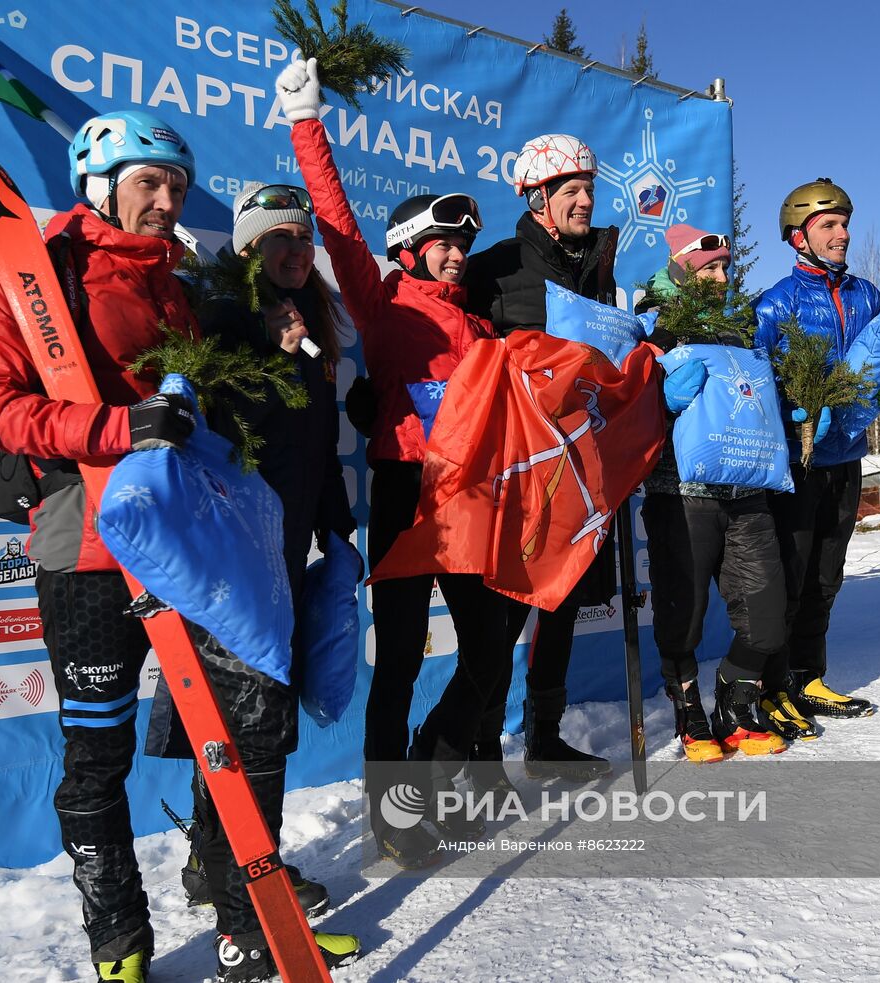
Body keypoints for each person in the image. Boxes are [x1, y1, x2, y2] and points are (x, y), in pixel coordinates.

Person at [0, 110, 358, 983]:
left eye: (175, 184)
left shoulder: (178, 283)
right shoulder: (43, 271)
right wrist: (114, 425)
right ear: (101, 185)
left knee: (247, 733)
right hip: (86, 544)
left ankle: (250, 922)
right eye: (148, 183)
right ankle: (121, 948)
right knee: (98, 755)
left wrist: (266, 341)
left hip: (189, 548)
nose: (167, 200)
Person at [275, 57, 510, 870]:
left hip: (473, 499)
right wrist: (308, 121)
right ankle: (393, 814)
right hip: (407, 493)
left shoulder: (480, 329)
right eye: (445, 244)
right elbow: (337, 224)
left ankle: (427, 765)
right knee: (402, 660)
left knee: (488, 653)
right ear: (410, 250)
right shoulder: (382, 303)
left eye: (463, 246)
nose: (458, 256)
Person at [177, 180, 355, 920]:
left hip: (286, 546)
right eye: (279, 237)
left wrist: (336, 526)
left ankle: (214, 861)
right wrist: (271, 348)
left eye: (303, 237)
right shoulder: (226, 315)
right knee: (247, 719)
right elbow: (219, 415)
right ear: (249, 246)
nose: (295, 248)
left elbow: (316, 437)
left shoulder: (313, 321)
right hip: (234, 553)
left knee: (252, 716)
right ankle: (249, 872)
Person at [462, 132, 622, 785]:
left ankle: (545, 738)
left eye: (589, 189)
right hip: (519, 473)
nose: (585, 201)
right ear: (538, 200)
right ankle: (479, 751)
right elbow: (461, 364)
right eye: (571, 192)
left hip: (582, 473)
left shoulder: (599, 270)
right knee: (503, 619)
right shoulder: (494, 269)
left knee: (558, 614)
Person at [636, 224, 787, 761]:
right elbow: (621, 410)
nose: (722, 278)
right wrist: (659, 396)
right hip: (680, 493)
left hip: (747, 489)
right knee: (684, 615)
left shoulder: (741, 330)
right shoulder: (651, 324)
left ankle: (736, 696)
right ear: (681, 268)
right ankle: (688, 711)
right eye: (709, 269)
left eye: (726, 268)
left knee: (768, 617)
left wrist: (783, 412)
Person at [754, 178, 880, 733]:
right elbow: (753, 384)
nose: (843, 234)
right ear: (798, 238)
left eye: (844, 223)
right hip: (795, 462)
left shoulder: (866, 295)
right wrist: (795, 414)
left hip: (846, 458)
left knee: (827, 575)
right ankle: (771, 684)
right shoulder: (776, 302)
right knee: (791, 572)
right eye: (829, 225)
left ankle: (808, 676)